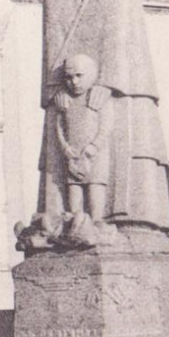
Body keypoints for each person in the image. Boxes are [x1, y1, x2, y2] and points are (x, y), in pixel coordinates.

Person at [38, 0, 169, 231]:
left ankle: (127, 220)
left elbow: (121, 38)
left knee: (120, 155)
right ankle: (66, 220)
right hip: (69, 94)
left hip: (117, 89)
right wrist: (55, 89)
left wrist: (109, 83)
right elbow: (52, 48)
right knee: (67, 166)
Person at [55, 53, 114, 223]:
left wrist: (95, 146)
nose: (74, 82)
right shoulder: (65, 101)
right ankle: (76, 224)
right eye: (69, 77)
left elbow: (106, 125)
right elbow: (59, 126)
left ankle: (96, 223)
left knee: (95, 186)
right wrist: (65, 147)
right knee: (74, 189)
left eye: (79, 76)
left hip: (95, 155)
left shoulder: (99, 98)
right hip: (73, 156)